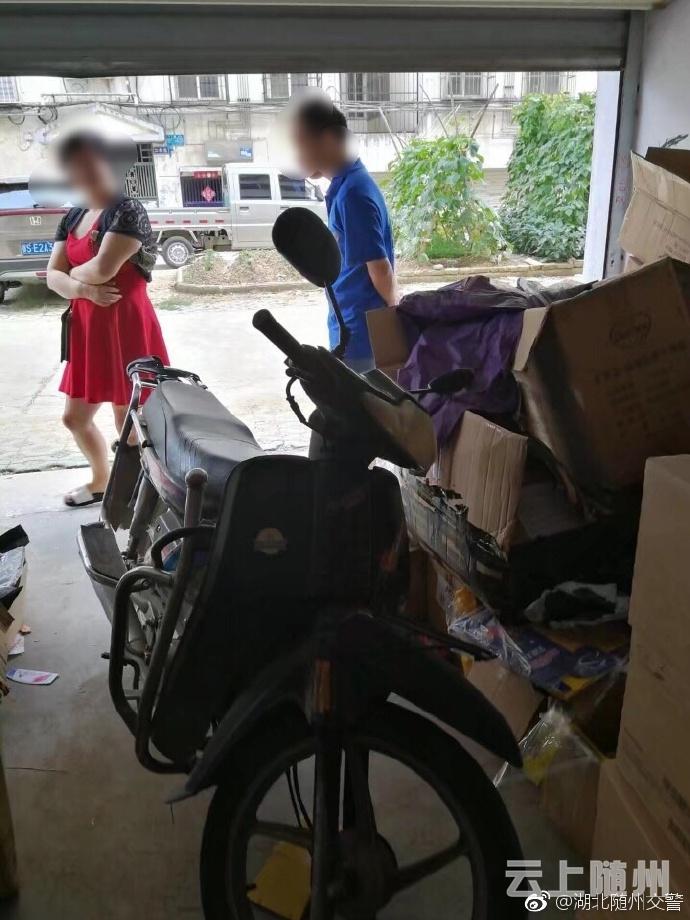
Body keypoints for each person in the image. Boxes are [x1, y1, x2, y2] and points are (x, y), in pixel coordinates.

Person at [47, 132, 169, 507]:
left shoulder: (127, 210)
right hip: (87, 328)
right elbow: (51, 276)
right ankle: (101, 481)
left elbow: (103, 269)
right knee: (74, 418)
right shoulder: (73, 216)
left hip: (125, 326)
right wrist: (82, 289)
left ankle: (141, 493)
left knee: (128, 422)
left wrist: (71, 276)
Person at [291, 96, 399, 371]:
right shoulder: (347, 186)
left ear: (328, 140)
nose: (297, 155)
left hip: (361, 337)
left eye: (301, 144)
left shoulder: (353, 193)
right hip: (351, 328)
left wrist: (394, 314)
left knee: (364, 398)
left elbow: (379, 268)